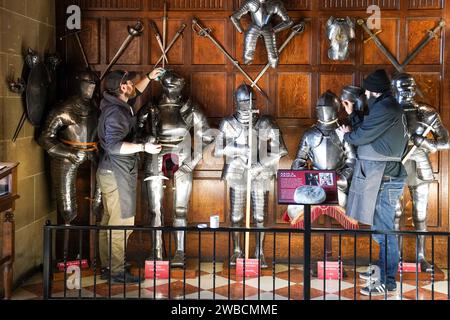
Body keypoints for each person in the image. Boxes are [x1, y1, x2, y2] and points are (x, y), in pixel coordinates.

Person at [339, 69, 408, 296]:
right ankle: (381, 270)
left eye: (368, 91)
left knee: (384, 232)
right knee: (381, 230)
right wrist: (352, 115)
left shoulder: (387, 107)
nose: (366, 95)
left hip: (384, 179)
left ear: (372, 91)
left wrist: (347, 136)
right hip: (380, 178)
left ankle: (387, 281)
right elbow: (368, 128)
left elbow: (361, 136)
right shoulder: (384, 106)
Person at [136, 70, 215, 267]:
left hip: (182, 154)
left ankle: (180, 252)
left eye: (179, 88)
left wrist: (193, 160)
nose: (177, 92)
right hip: (156, 153)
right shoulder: (152, 108)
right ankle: (156, 251)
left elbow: (208, 136)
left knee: (181, 208)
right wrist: (146, 139)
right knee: (155, 209)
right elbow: (135, 131)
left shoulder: (190, 108)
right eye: (173, 88)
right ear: (165, 87)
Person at [97, 68, 164, 283]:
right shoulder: (117, 113)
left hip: (109, 171)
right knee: (122, 221)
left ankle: (108, 265)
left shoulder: (116, 103)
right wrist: (144, 147)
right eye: (129, 82)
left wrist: (150, 78)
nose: (133, 85)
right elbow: (115, 146)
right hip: (117, 171)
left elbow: (136, 92)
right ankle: (116, 271)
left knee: (109, 220)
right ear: (122, 87)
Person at [214, 84, 288, 268]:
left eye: (251, 101)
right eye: (244, 101)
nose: (248, 104)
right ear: (237, 102)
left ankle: (259, 252)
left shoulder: (265, 123)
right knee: (236, 216)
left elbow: (281, 150)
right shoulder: (228, 123)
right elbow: (218, 149)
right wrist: (240, 149)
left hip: (260, 174)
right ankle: (237, 250)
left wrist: (260, 164)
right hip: (237, 172)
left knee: (260, 216)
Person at [392, 73, 450, 272]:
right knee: (395, 213)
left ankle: (421, 257)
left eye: (409, 87)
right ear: (394, 89)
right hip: (396, 164)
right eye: (402, 87)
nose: (407, 92)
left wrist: (426, 143)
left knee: (420, 214)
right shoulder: (388, 111)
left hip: (419, 164)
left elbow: (446, 141)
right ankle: (395, 257)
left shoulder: (426, 113)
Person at [38, 70, 102, 224]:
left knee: (101, 200)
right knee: (67, 206)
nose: (90, 87)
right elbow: (44, 138)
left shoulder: (96, 107)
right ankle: (67, 230)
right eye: (87, 83)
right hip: (68, 155)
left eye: (93, 83)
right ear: (79, 83)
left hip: (94, 152)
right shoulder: (63, 109)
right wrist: (68, 153)